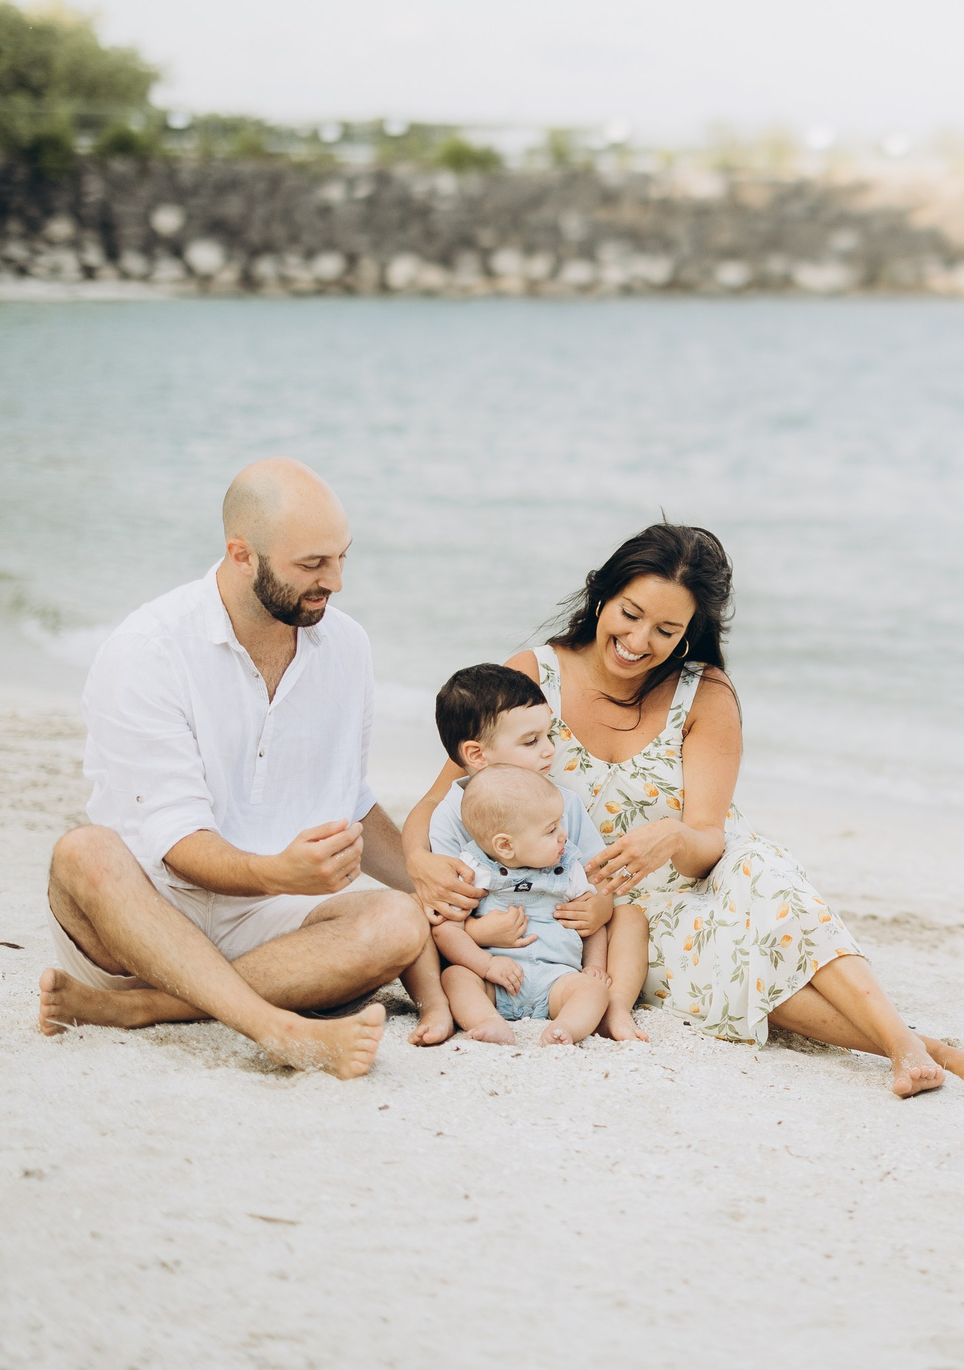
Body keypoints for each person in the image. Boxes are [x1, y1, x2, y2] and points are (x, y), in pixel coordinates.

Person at [406, 522, 964, 1098]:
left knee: (774, 885)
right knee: (741, 976)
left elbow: (707, 843)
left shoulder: (705, 693)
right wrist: (419, 863)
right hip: (618, 916)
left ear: (690, 632)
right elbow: (444, 798)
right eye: (631, 614)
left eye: (667, 631)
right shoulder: (533, 677)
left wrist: (670, 837)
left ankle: (909, 1048)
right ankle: (924, 1051)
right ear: (601, 596)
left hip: (702, 874)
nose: (639, 642)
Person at [36, 458, 439, 1078]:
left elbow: (352, 800)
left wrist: (427, 881)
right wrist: (278, 870)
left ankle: (145, 1010)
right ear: (242, 554)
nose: (334, 582)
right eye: (311, 565)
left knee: (398, 921)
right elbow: (175, 844)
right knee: (83, 852)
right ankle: (274, 1026)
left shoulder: (347, 646)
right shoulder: (148, 649)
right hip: (146, 917)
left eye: (341, 559)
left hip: (274, 925)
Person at [419, 663, 649, 1041]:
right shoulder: (450, 815)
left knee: (631, 918)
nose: (549, 750)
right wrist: (480, 936)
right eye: (531, 741)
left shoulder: (564, 804)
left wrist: (600, 909)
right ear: (477, 754)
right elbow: (449, 905)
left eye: (548, 735)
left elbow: (597, 879)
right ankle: (481, 1020)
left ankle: (615, 1008)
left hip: (560, 967)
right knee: (452, 971)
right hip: (489, 967)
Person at [429, 766, 615, 1046]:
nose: (563, 835)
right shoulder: (474, 871)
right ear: (505, 846)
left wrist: (594, 965)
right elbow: (447, 930)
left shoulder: (568, 870)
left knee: (594, 990)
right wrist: (486, 965)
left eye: (560, 824)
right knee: (455, 977)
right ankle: (487, 1021)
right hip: (493, 982)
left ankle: (565, 1027)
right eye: (551, 829)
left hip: (557, 980)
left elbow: (592, 923)